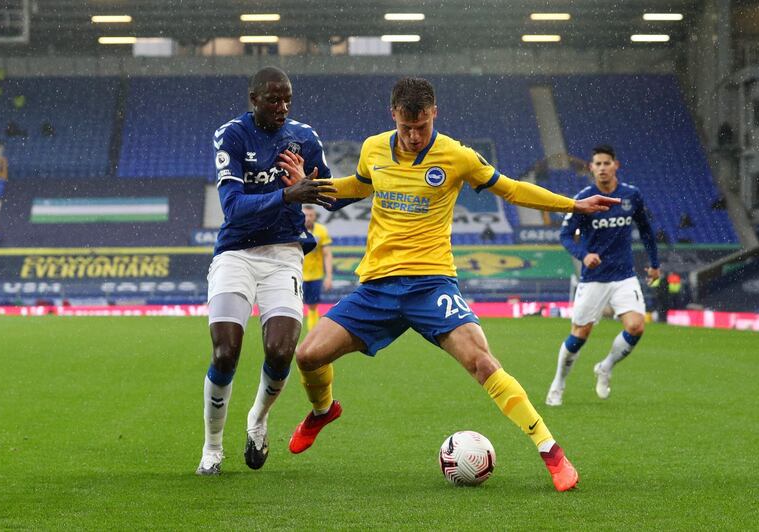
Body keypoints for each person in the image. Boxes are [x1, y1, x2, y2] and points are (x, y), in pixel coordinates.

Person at [277, 77, 619, 492]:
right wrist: (310, 189)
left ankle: (552, 452)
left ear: (434, 113)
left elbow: (511, 189)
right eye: (406, 128)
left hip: (431, 284)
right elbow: (359, 186)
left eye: (421, 127)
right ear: (394, 117)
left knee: (483, 363)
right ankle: (322, 411)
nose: (414, 136)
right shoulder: (373, 149)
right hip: (378, 287)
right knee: (308, 355)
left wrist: (573, 204)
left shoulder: (456, 156)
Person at [196, 66, 337, 476]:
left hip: (284, 255)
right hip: (236, 253)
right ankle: (212, 446)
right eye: (273, 99)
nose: (282, 107)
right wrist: (287, 193)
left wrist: (326, 185)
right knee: (225, 351)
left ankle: (257, 420)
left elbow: (331, 196)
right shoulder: (232, 135)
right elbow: (233, 207)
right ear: (254, 99)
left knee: (280, 350)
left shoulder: (304, 137)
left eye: (287, 98)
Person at [545, 144, 660, 407]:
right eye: (597, 164)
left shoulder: (631, 196)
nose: (602, 168)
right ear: (591, 168)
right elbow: (565, 235)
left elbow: (646, 230)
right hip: (593, 278)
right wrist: (584, 254)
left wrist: (654, 263)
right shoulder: (584, 199)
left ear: (616, 165)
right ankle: (558, 383)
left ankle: (606, 366)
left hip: (624, 276)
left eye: (607, 163)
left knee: (636, 326)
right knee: (579, 335)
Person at [301, 205, 333, 331]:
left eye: (311, 215)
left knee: (313, 307)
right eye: (306, 215)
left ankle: (310, 338)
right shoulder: (295, 229)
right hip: (297, 275)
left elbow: (327, 254)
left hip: (315, 276)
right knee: (294, 307)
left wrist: (329, 276)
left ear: (315, 216)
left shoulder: (321, 231)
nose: (308, 218)